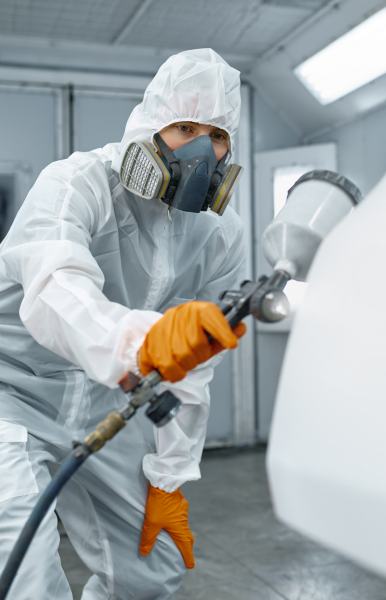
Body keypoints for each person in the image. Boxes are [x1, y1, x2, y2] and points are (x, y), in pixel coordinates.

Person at [0, 48, 246, 599]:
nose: (202, 150)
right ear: (150, 129)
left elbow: (195, 366)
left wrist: (170, 477)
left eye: (217, 135)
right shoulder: (76, 183)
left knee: (152, 571)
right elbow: (54, 288)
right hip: (11, 396)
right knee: (24, 576)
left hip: (104, 406)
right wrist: (143, 339)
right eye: (184, 127)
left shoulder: (220, 235)